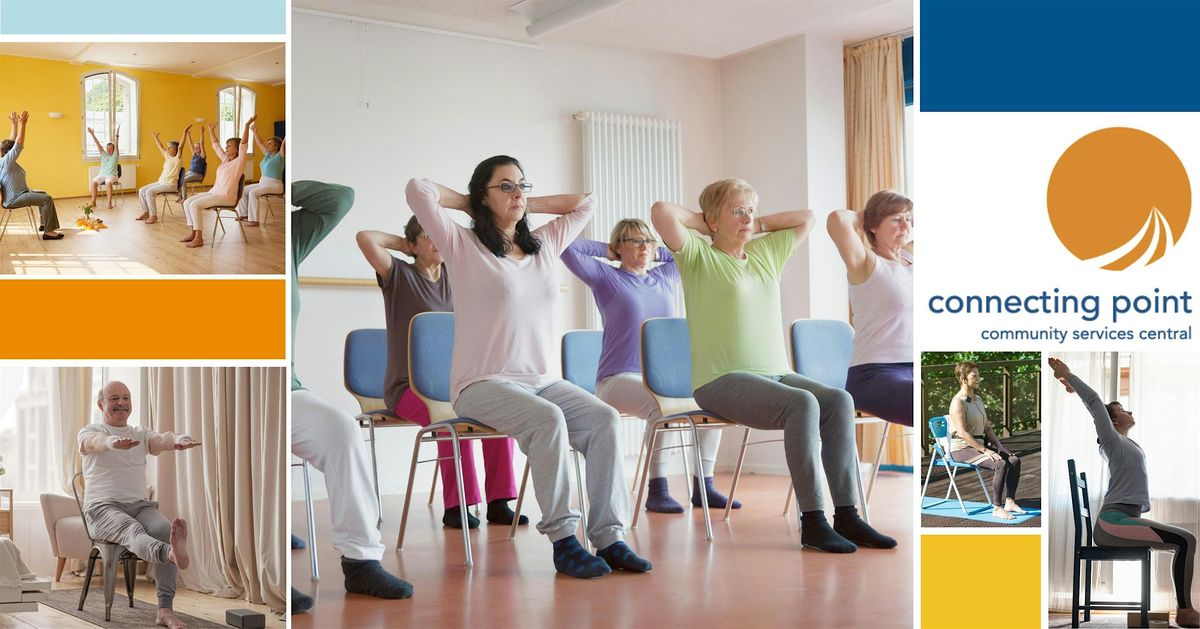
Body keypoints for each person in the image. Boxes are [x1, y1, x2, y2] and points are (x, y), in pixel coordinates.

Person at [406, 155, 652, 578]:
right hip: (480, 384)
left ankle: (610, 538)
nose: (518, 191)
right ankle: (564, 541)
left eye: (522, 184)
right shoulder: (461, 245)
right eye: (505, 185)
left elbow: (586, 203)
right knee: (548, 420)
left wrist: (519, 201)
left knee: (604, 419)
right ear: (483, 195)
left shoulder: (544, 245)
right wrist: (471, 203)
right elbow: (418, 189)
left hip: (541, 380)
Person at [651, 179, 897, 553]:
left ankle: (847, 516)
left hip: (776, 373)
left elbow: (807, 218)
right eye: (737, 210)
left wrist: (753, 222)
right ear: (712, 220)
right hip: (720, 379)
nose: (747, 217)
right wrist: (706, 224)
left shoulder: (767, 253)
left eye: (750, 209)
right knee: (802, 404)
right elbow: (662, 212)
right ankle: (813, 521)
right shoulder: (698, 256)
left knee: (839, 401)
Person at [291, 181, 413, 614]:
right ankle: (265, 565)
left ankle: (361, 562)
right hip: (233, 385)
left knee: (342, 428)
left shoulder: (288, 240)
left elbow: (338, 198)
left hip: (286, 388)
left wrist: (269, 182)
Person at [356, 219, 524, 529]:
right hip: (407, 389)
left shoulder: (457, 277)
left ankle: (500, 501)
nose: (436, 241)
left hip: (456, 386)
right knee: (448, 423)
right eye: (427, 237)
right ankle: (457, 505)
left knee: (497, 414)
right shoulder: (398, 275)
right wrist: (405, 243)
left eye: (440, 236)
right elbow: (366, 236)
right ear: (413, 244)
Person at [560, 219, 738, 514]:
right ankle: (658, 490)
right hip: (617, 379)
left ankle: (703, 487)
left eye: (648, 240)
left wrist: (655, 250)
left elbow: (690, 249)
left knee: (713, 403)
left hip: (664, 379)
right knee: (661, 408)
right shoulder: (606, 278)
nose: (644, 246)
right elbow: (565, 246)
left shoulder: (665, 277)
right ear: (619, 247)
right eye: (635, 241)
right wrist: (608, 250)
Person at [1049, 357, 1198, 628]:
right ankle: (1186, 611)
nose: (1129, 411)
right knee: (1186, 540)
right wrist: (1069, 376)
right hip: (1112, 523)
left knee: (1185, 541)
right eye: (1122, 409)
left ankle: (1185, 609)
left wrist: (1076, 391)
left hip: (1125, 520)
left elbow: (1094, 406)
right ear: (1114, 420)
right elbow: (1095, 403)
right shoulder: (1112, 441)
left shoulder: (1127, 443)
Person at [78, 381, 200, 629]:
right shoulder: (90, 430)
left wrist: (177, 440)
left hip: (140, 505)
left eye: (126, 397)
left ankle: (164, 611)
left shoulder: (138, 433)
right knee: (131, 530)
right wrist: (112, 443)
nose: (121, 402)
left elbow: (158, 439)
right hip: (102, 509)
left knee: (165, 530)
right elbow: (95, 442)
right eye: (114, 398)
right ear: (101, 404)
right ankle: (169, 553)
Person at [826, 190, 914, 427]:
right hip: (874, 375)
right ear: (874, 225)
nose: (905, 224)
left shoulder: (911, 259)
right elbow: (837, 219)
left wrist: (900, 218)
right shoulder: (866, 263)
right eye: (896, 219)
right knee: (935, 405)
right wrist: (866, 216)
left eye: (908, 217)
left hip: (914, 369)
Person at [945, 361, 1026, 520]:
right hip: (961, 449)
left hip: (978, 446)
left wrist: (1000, 447)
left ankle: (1010, 501)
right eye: (974, 375)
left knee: (1014, 460)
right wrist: (985, 450)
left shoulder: (978, 399)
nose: (978, 378)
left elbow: (987, 428)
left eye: (978, 375)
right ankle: (997, 507)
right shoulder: (957, 402)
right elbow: (961, 432)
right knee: (1000, 464)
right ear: (963, 378)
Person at [180, 118, 250, 248]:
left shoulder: (239, 162)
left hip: (226, 197)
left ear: (237, 149)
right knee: (187, 202)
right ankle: (193, 232)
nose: (226, 147)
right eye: (226, 145)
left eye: (229, 145)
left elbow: (244, 143)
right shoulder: (225, 160)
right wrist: (211, 130)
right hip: (214, 193)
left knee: (195, 205)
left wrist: (246, 125)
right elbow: (215, 145)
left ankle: (199, 238)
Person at [0, 111, 63, 240]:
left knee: (43, 193)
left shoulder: (5, 159)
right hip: (15, 198)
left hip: (19, 194)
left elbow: (12, 143)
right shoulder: (7, 161)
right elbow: (18, 144)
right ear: (9, 152)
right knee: (47, 199)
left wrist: (14, 124)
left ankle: (45, 224)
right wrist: (23, 124)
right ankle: (49, 232)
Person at [136, 126, 188, 225]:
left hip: (170, 185)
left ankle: (153, 216)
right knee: (142, 190)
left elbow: (181, 146)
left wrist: (184, 133)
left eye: (170, 148)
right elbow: (160, 146)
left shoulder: (177, 159)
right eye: (167, 147)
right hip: (161, 182)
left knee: (149, 192)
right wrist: (155, 137)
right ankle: (146, 212)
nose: (167, 149)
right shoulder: (167, 156)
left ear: (176, 150)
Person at [238, 124, 284, 227]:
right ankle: (244, 214)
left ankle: (254, 220)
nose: (267, 145)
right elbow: (260, 143)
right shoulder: (267, 155)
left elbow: (284, 143)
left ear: (277, 146)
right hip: (262, 184)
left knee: (253, 193)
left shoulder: (280, 156)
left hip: (275, 186)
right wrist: (255, 132)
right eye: (267, 143)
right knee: (243, 190)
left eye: (270, 143)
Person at [87, 126, 120, 209]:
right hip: (102, 175)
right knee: (93, 183)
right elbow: (97, 143)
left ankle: (109, 203)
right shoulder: (104, 154)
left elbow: (116, 144)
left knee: (108, 183)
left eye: (111, 149)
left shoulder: (115, 156)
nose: (109, 150)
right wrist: (92, 134)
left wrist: (116, 136)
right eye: (108, 149)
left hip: (112, 176)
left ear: (113, 149)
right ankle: (93, 202)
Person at [180, 126, 207, 201]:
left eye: (197, 147)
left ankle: (184, 198)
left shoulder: (202, 156)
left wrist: (202, 132)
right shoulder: (194, 154)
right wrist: (188, 134)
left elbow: (202, 144)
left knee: (183, 180)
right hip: (190, 173)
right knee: (178, 178)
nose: (195, 149)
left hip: (197, 175)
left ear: (201, 148)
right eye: (195, 148)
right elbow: (190, 144)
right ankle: (180, 197)